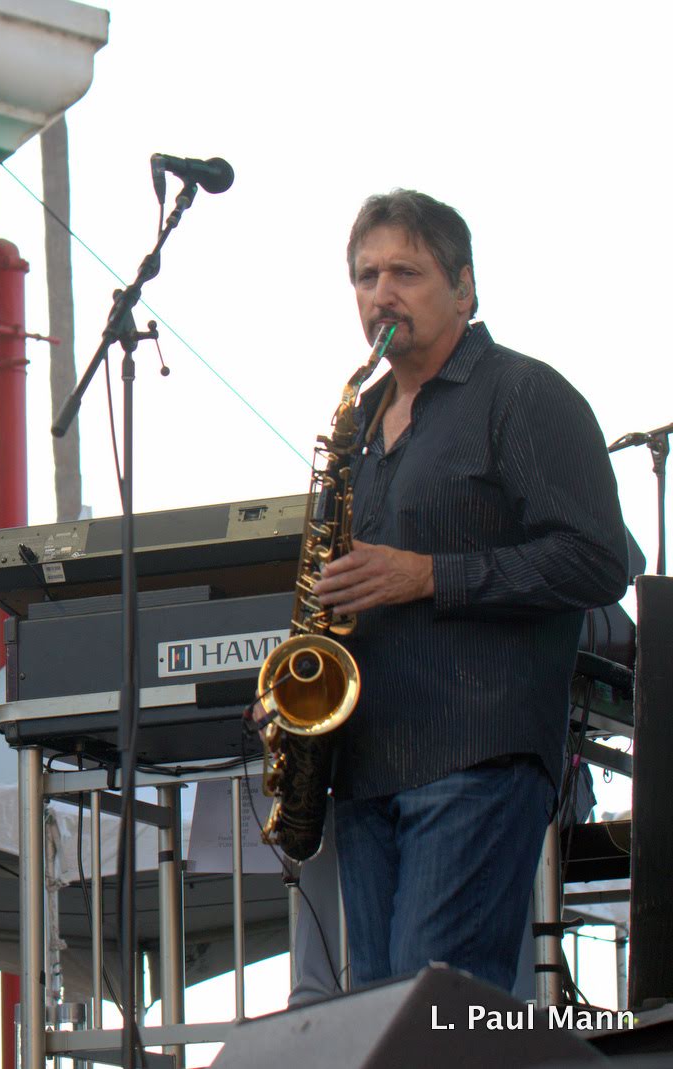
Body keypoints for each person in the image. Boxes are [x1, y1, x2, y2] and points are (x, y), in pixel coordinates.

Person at [309, 190, 630, 991]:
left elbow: (596, 561)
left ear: (464, 288)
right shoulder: (358, 423)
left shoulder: (523, 393)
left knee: (433, 1014)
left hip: (476, 753)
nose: (382, 293)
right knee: (382, 1021)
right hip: (367, 767)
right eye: (366, 276)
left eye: (406, 272)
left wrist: (428, 574)